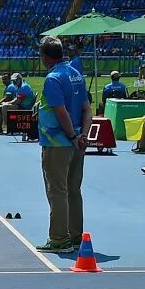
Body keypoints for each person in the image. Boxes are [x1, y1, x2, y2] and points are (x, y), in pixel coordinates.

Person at [35, 39, 89, 252]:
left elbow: (61, 112)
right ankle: (75, 236)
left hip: (58, 143)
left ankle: (59, 238)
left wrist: (72, 136)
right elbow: (86, 108)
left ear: (45, 57)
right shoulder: (76, 74)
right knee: (74, 190)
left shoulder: (53, 78)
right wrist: (83, 135)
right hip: (77, 143)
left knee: (57, 191)